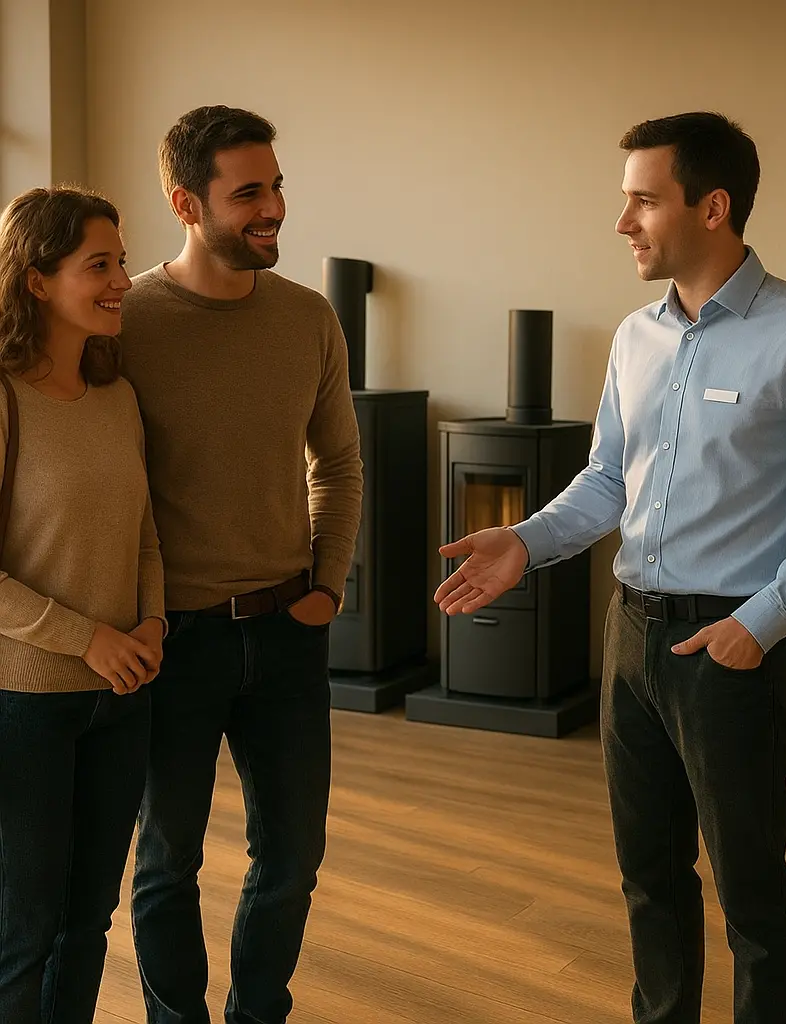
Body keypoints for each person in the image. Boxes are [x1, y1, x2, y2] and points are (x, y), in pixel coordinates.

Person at [434, 112, 786, 1024]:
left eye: (643, 199)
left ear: (712, 206)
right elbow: (608, 481)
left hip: (727, 645)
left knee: (752, 890)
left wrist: (758, 624)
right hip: (631, 637)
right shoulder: (636, 339)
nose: (623, 222)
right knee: (648, 876)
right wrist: (523, 542)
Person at [120, 106, 363, 1023]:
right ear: (188, 202)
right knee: (167, 859)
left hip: (286, 630)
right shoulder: (128, 322)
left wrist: (326, 583)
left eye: (278, 185)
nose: (275, 209)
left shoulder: (307, 317)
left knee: (293, 855)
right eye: (249, 192)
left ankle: (259, 1014)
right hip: (170, 641)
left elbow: (337, 462)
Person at [0, 186, 165, 1022]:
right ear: (36, 280)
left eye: (122, 263)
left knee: (88, 923)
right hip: (24, 704)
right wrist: (85, 638)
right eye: (98, 265)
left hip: (121, 697)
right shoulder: (2, 398)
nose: (122, 281)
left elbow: (143, 535)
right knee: (21, 932)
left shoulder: (117, 397)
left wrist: (152, 623)